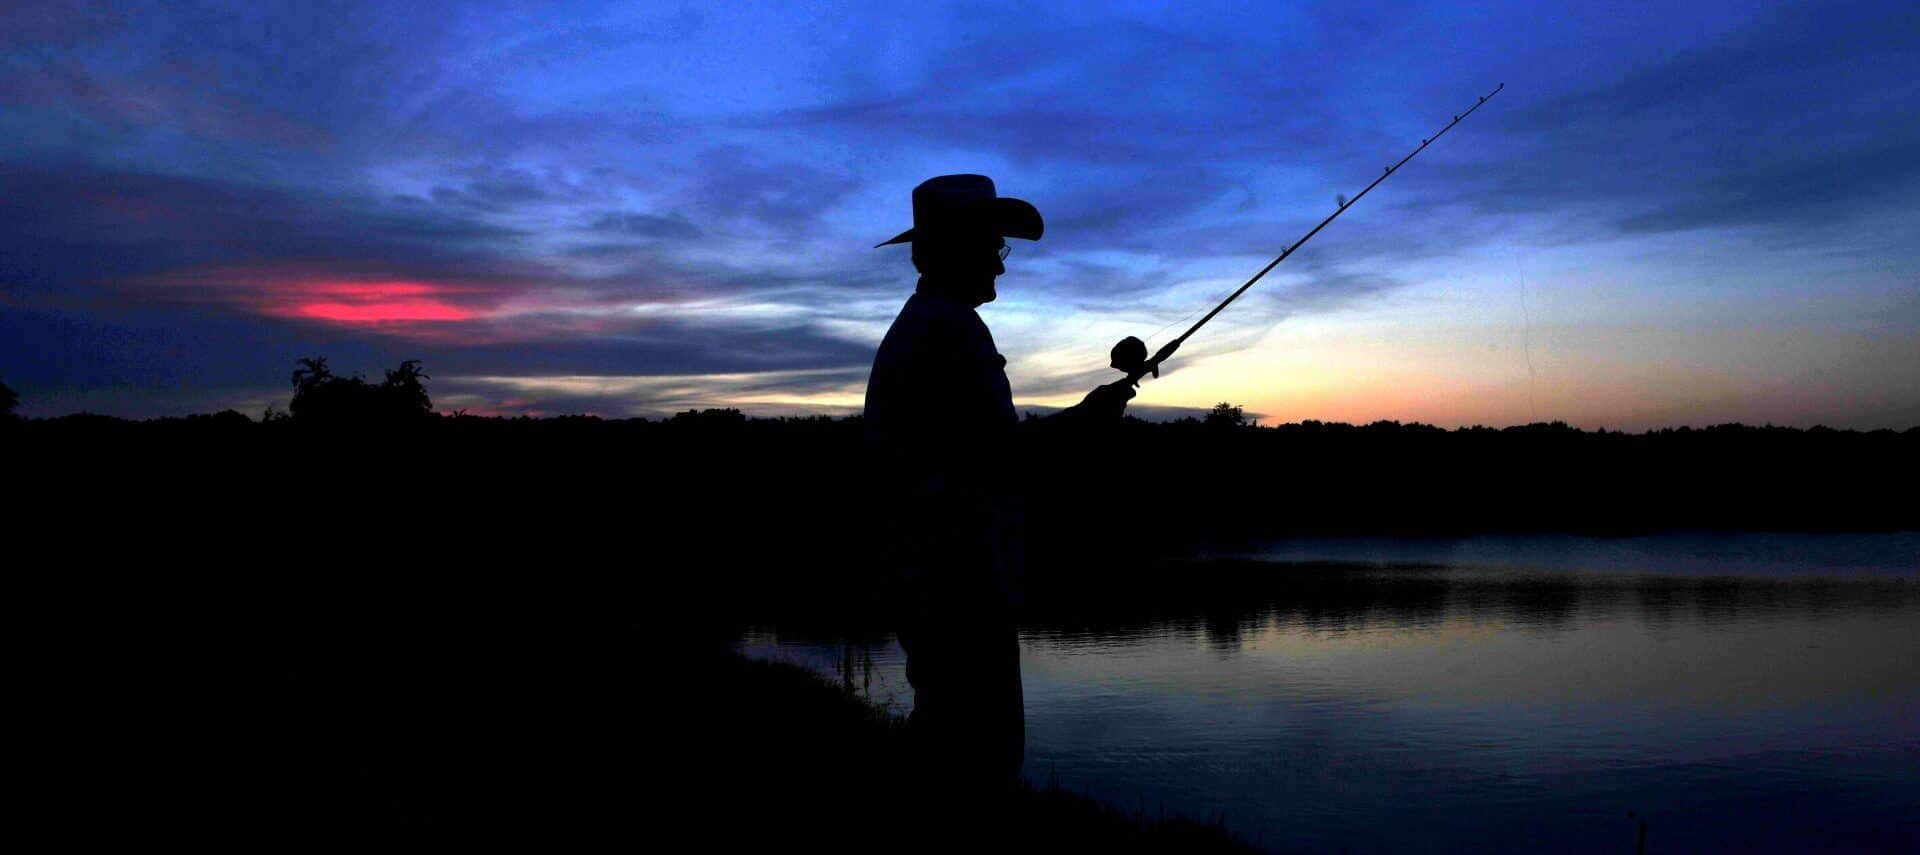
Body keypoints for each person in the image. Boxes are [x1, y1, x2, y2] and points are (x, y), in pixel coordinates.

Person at [863, 174, 1135, 791]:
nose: (1001, 267)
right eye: (995, 248)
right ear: (956, 246)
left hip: (938, 578)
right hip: (957, 582)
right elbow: (996, 458)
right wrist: (1086, 422)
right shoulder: (948, 330)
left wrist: (1081, 419)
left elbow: (980, 452)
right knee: (978, 756)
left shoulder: (929, 324)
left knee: (947, 737)